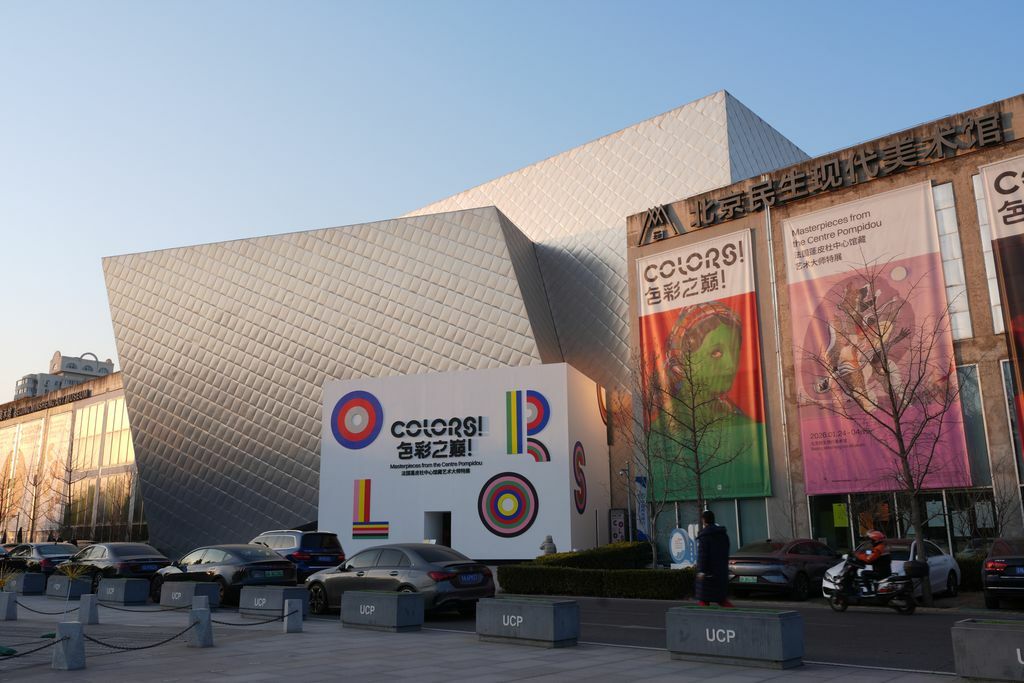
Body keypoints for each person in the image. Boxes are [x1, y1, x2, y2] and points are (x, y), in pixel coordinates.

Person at [695, 510, 733, 607]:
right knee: (721, 600)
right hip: (721, 572)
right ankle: (734, 614)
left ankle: (703, 617)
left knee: (704, 600)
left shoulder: (705, 536)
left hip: (708, 574)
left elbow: (703, 555)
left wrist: (701, 571)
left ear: (704, 520)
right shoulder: (723, 534)